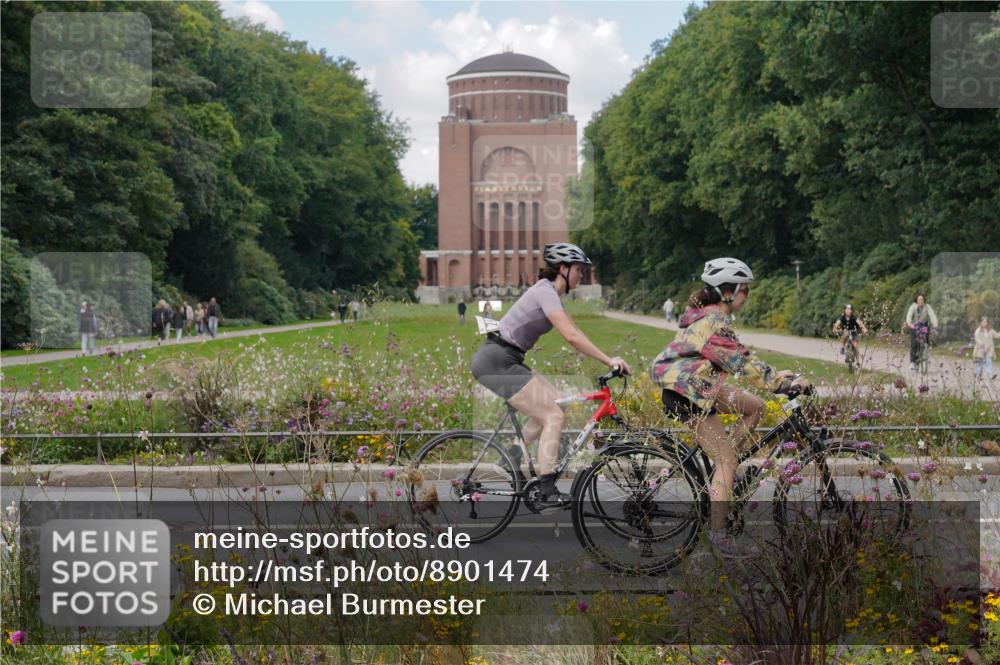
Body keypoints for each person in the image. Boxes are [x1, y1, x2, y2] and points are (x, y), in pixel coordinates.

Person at [650, 258, 810, 557]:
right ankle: (718, 536)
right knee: (725, 461)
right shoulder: (713, 321)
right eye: (744, 290)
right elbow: (741, 362)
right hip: (686, 392)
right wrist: (779, 382)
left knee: (755, 407)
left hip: (700, 387)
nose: (746, 296)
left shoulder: (712, 316)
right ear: (728, 292)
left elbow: (739, 355)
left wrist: (779, 377)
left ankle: (727, 471)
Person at [471, 243, 631, 512]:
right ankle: (546, 489)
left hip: (506, 358)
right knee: (553, 416)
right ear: (563, 269)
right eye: (579, 269)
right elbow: (571, 337)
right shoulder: (545, 292)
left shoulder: (550, 294)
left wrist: (605, 357)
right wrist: (609, 359)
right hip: (496, 360)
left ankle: (510, 457)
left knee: (557, 403)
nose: (582, 275)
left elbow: (574, 330)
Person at [905, 294, 939, 371]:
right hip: (914, 325)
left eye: (922, 299)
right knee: (914, 343)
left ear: (924, 300)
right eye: (919, 299)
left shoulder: (927, 307)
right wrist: (910, 324)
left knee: (925, 340)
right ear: (916, 301)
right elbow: (909, 316)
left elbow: (932, 316)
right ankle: (913, 362)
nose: (921, 301)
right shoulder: (913, 307)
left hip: (923, 325)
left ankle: (924, 350)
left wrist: (935, 325)